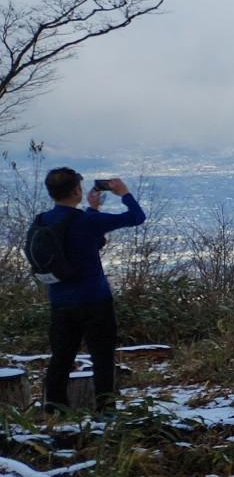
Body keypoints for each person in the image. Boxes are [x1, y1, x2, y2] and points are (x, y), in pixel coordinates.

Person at [35, 168, 145, 411]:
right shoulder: (87, 221)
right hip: (95, 301)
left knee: (61, 360)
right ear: (77, 190)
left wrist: (93, 209)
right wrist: (123, 193)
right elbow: (137, 217)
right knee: (102, 360)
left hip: (60, 302)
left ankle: (55, 414)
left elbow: (89, 243)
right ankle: (105, 413)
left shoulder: (43, 221)